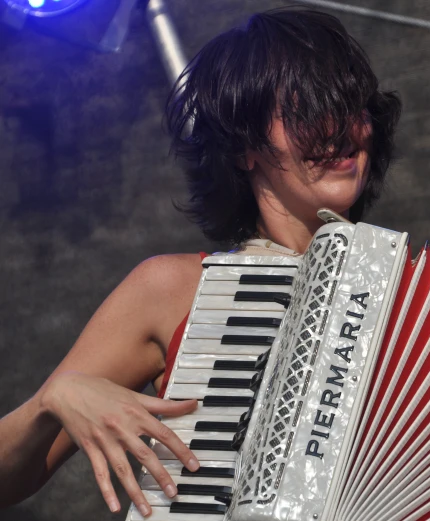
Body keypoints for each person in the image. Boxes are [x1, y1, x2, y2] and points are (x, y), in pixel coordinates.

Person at [0, 8, 401, 518]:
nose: (340, 129)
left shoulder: (416, 299)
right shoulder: (170, 289)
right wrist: (51, 400)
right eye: (306, 110)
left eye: (352, 106)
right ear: (243, 149)